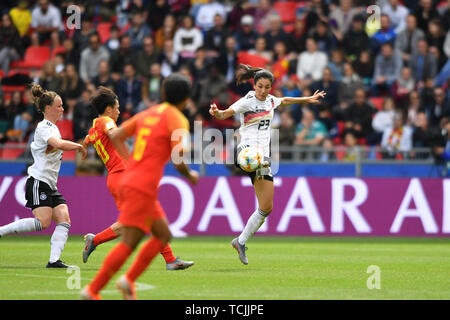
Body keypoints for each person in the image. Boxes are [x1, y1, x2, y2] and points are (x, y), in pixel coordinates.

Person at [81, 73, 199, 300]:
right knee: (130, 240)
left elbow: (117, 137)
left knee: (161, 233)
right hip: (139, 183)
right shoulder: (177, 119)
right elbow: (178, 157)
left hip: (127, 178)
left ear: (163, 93)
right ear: (186, 99)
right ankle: (93, 290)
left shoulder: (148, 112)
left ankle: (131, 278)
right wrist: (189, 174)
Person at [209, 64, 325, 265]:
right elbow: (226, 113)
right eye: (260, 86)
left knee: (266, 207)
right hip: (246, 151)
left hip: (262, 158)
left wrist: (306, 99)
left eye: (267, 87)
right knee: (252, 157)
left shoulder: (271, 100)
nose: (263, 91)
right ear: (254, 85)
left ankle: (241, 241)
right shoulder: (247, 100)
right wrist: (217, 113)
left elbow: (284, 100)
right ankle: (248, 161)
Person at [0, 83, 87, 268]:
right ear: (48, 108)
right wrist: (78, 146)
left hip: (49, 184)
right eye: (59, 105)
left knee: (64, 218)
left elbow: (58, 143)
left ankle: (54, 260)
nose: (62, 109)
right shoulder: (44, 127)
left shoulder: (53, 127)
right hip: (38, 181)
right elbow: (58, 144)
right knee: (43, 222)